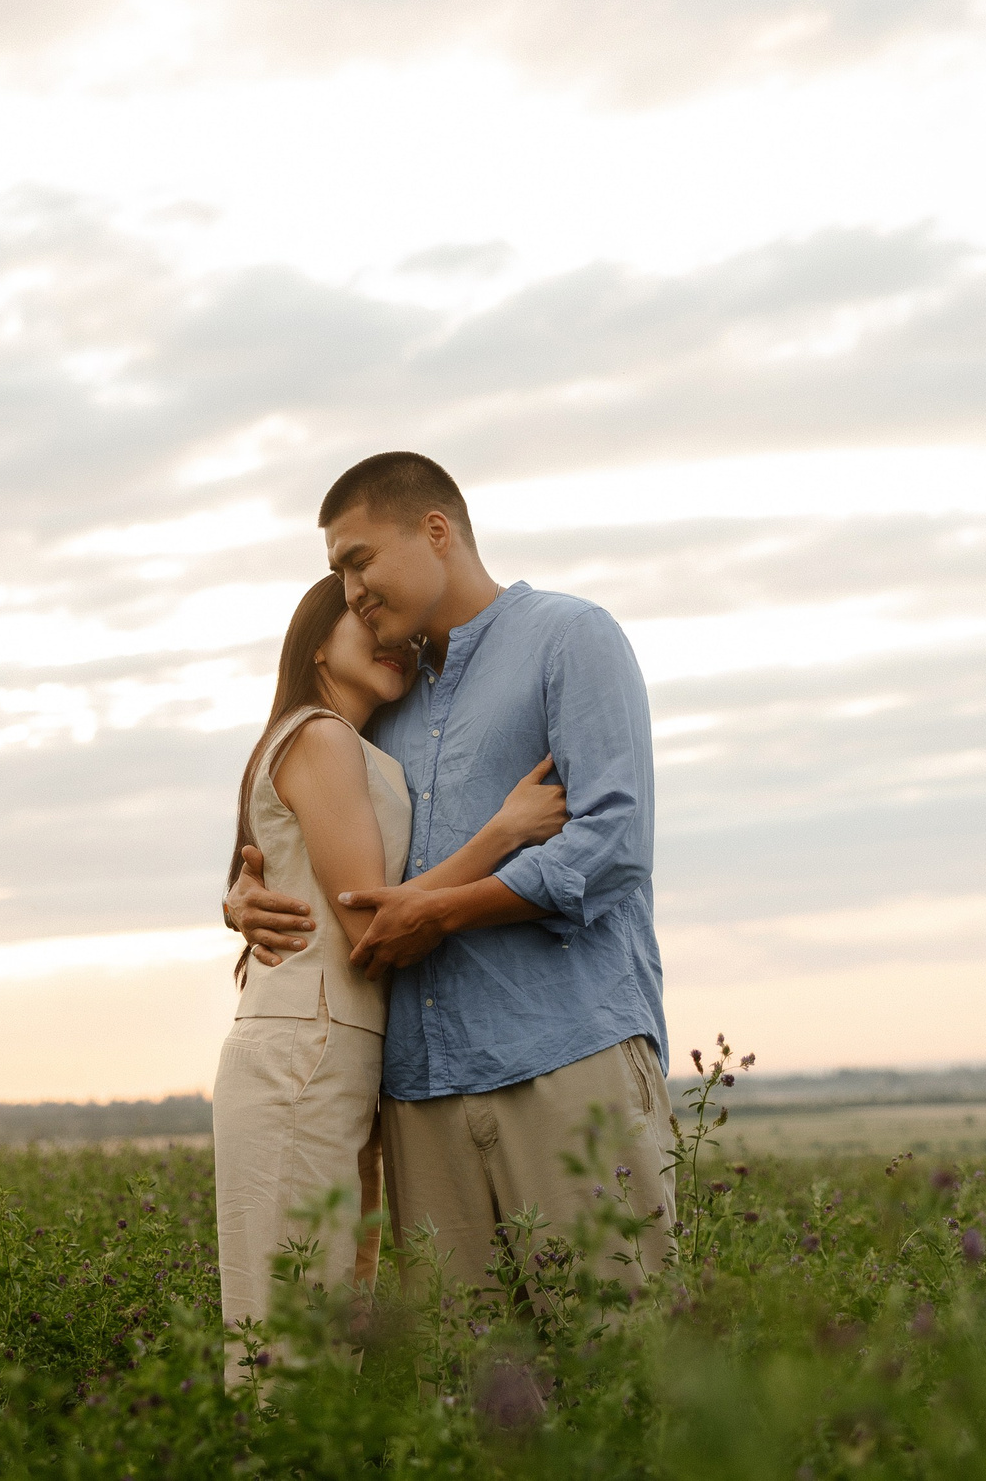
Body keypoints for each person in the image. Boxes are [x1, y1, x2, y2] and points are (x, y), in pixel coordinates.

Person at [226, 452, 671, 1299]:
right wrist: (244, 895)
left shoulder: (570, 637)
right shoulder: (384, 700)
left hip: (564, 1056)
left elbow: (613, 842)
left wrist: (447, 913)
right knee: (472, 1392)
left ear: (437, 531)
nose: (350, 589)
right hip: (421, 1093)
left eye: (360, 561)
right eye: (336, 573)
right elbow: (328, 846)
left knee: (618, 1366)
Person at [211, 574, 569, 1385]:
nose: (393, 639)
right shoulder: (324, 738)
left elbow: (293, 879)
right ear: (314, 643)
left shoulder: (347, 744)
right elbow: (370, 924)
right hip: (304, 1052)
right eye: (361, 618)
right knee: (287, 1353)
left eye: (398, 630)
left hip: (328, 1055)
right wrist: (503, 833)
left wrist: (235, 903)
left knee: (321, 1343)